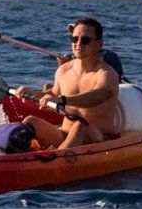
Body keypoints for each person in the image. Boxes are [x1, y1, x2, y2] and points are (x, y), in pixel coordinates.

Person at [15, 17, 125, 150]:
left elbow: (99, 95)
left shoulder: (106, 74)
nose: (78, 44)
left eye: (85, 40)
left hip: (99, 139)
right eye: (74, 39)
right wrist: (32, 93)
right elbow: (53, 94)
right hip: (65, 134)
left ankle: (56, 161)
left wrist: (63, 100)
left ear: (99, 44)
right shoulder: (63, 70)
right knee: (31, 121)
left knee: (80, 126)